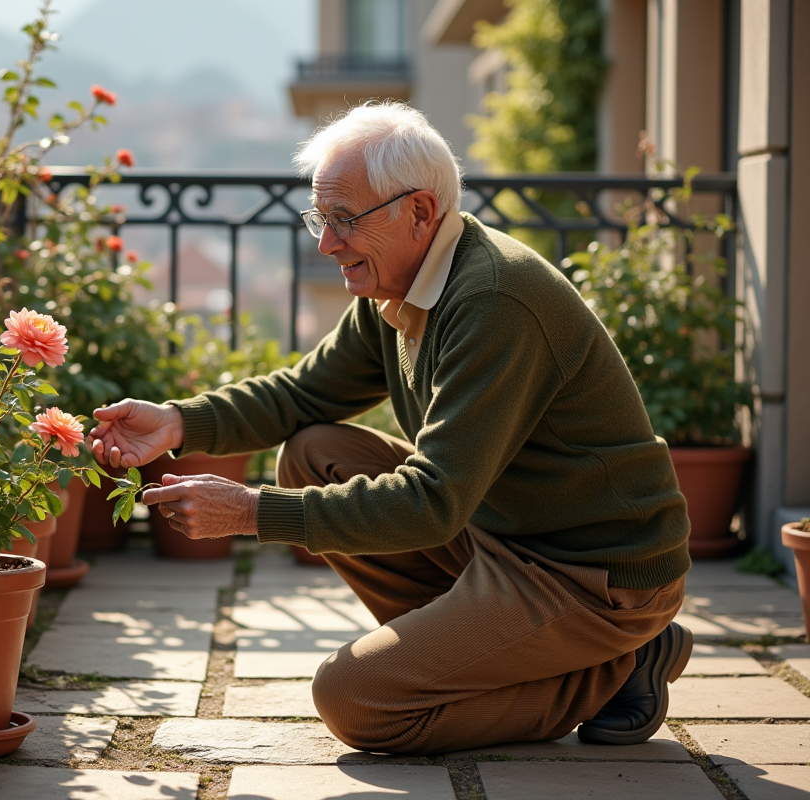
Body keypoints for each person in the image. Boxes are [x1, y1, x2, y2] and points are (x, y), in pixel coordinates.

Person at [86, 101, 693, 755]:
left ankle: (619, 664)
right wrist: (177, 422)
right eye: (321, 218)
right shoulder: (400, 286)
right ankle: (484, 657)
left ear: (421, 212)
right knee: (316, 452)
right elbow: (303, 393)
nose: (325, 242)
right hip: (504, 539)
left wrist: (250, 512)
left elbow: (432, 502)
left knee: (357, 701)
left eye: (344, 220)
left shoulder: (493, 300)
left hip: (593, 577)